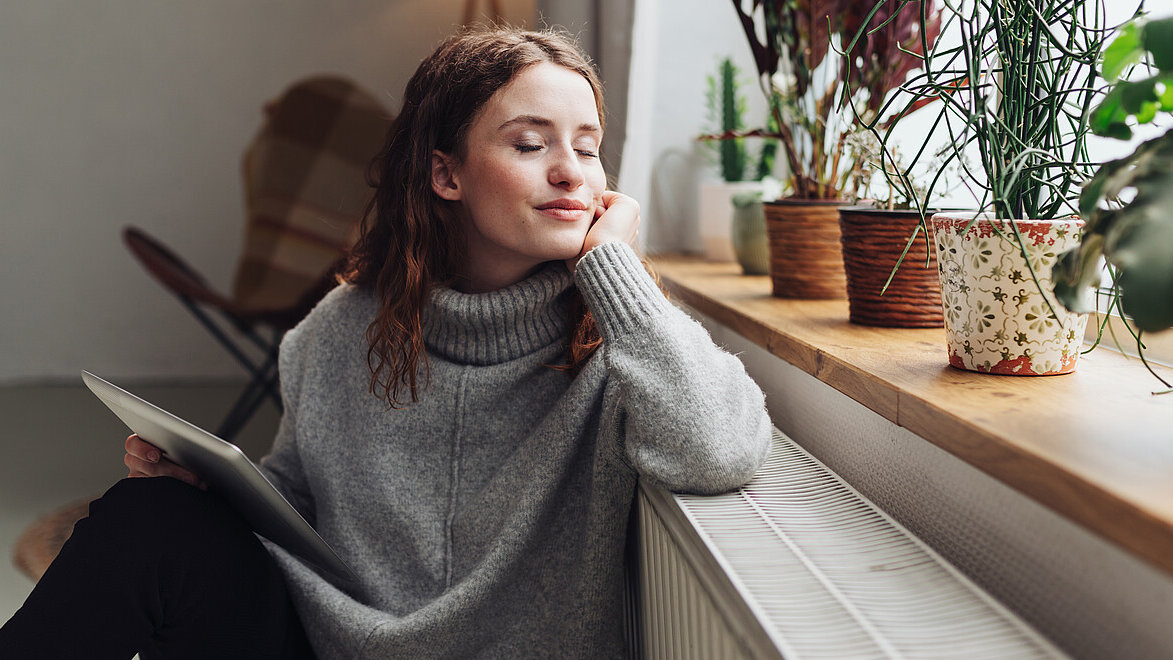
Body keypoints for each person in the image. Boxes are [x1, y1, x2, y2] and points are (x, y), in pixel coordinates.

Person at [0, 27, 771, 659]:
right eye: (531, 144)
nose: (571, 172)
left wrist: (611, 266)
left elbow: (719, 451)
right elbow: (300, 498)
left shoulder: (621, 339)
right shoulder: (340, 329)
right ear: (446, 174)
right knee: (150, 517)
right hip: (323, 645)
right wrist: (208, 493)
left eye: (588, 145)